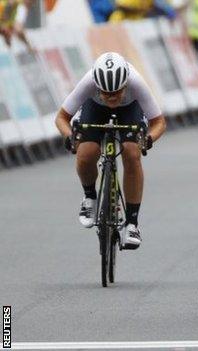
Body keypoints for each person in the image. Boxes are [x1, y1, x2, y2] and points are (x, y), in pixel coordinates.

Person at [54, 52, 167, 250]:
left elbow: (159, 122)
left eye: (117, 92)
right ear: (97, 86)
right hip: (95, 109)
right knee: (86, 152)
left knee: (132, 153)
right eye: (106, 92)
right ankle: (90, 196)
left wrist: (148, 139)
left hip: (129, 110)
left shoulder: (136, 82)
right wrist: (69, 137)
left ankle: (132, 223)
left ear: (125, 84)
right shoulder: (88, 81)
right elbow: (61, 118)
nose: (112, 97)